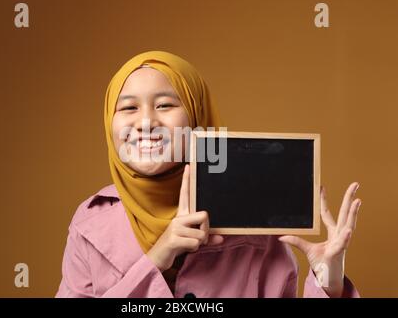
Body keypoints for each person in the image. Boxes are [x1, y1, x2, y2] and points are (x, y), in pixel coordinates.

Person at [55, 51, 361, 298]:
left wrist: (328, 281)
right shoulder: (90, 223)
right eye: (128, 108)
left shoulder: (254, 222)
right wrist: (157, 259)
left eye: (165, 105)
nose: (146, 122)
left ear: (197, 117)